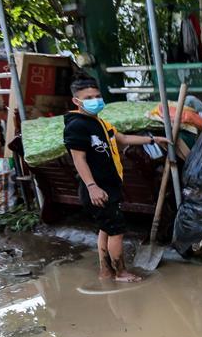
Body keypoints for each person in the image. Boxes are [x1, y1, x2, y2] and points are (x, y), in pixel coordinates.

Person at [64, 76, 170, 283]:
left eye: (97, 96)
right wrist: (92, 187)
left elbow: (122, 139)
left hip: (108, 185)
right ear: (77, 101)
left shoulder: (99, 123)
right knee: (117, 231)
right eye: (89, 97)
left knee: (106, 228)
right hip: (97, 189)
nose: (95, 100)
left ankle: (106, 271)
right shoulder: (76, 126)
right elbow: (79, 159)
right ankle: (121, 272)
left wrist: (153, 139)